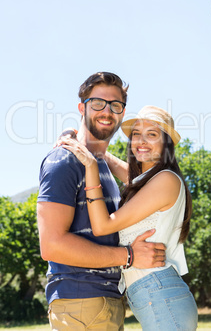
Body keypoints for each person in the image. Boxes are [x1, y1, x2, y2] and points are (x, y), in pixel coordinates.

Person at [37, 72, 166, 331]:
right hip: (80, 303)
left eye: (115, 105)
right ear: (81, 107)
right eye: (97, 103)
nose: (106, 111)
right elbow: (51, 245)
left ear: (122, 112)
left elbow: (147, 179)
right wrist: (129, 256)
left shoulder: (99, 164)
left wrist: (97, 153)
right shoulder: (64, 161)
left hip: (105, 303)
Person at [61, 105, 198, 330]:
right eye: (136, 134)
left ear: (166, 144)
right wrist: (73, 136)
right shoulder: (148, 181)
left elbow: (103, 226)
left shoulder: (165, 181)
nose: (141, 141)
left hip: (161, 295)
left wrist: (91, 166)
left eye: (152, 134)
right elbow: (114, 162)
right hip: (157, 295)